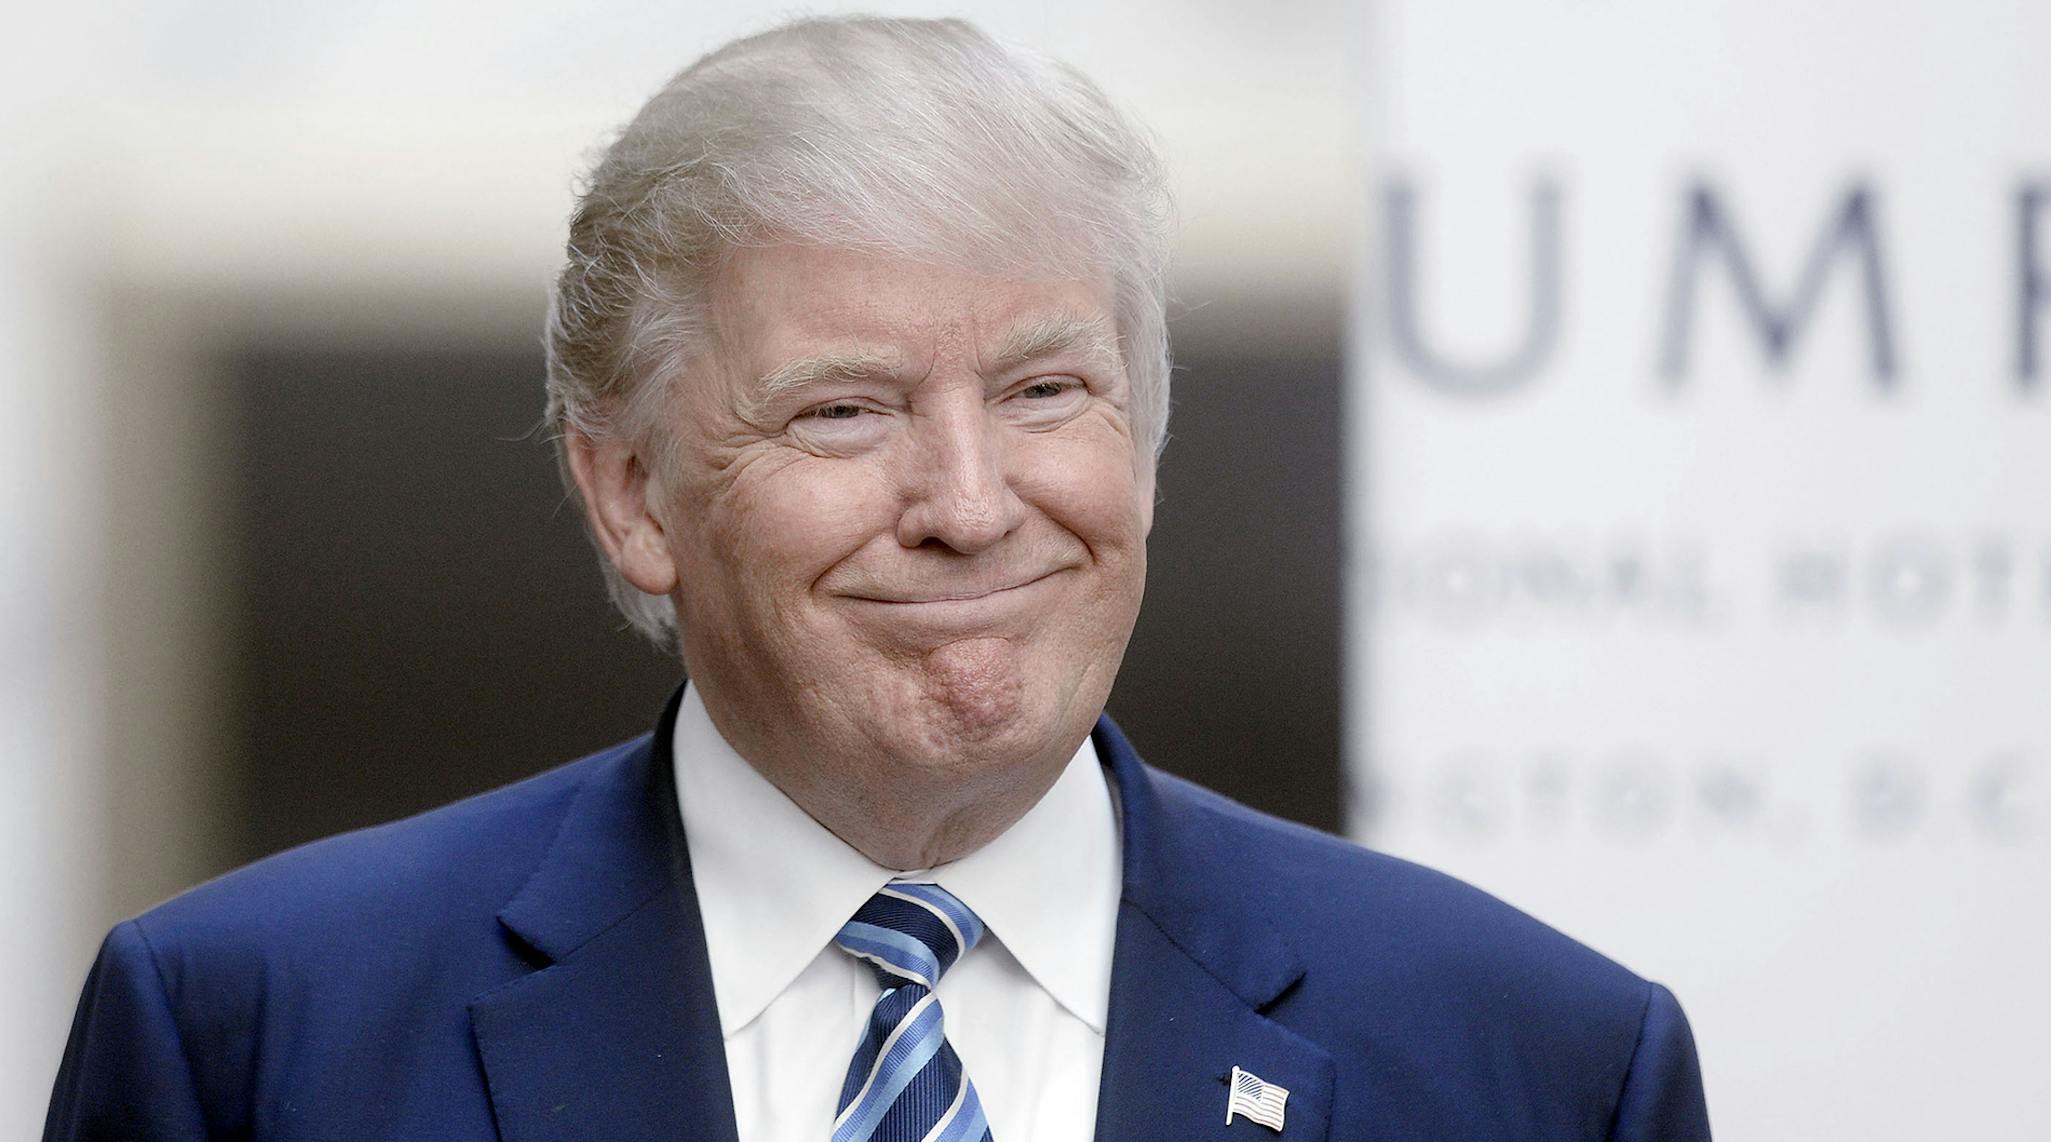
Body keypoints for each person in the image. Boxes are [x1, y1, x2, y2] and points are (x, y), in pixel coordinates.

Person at [46, 15, 1710, 1141]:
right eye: (847, 410)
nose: (970, 504)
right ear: (630, 491)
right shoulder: (260, 1042)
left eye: (1047, 391)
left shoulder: (1538, 1067)